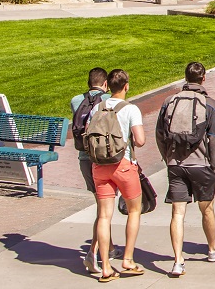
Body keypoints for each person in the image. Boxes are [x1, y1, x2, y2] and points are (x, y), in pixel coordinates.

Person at [156, 62, 215, 277]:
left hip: (176, 165)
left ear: (185, 78)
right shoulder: (211, 104)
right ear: (203, 78)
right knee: (207, 209)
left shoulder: (169, 102)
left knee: (177, 213)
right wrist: (214, 165)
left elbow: (160, 135)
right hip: (201, 165)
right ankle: (213, 248)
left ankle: (178, 261)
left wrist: (167, 157)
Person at [90, 69, 147, 281]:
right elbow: (139, 140)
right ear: (126, 86)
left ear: (107, 86)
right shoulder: (131, 109)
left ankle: (105, 266)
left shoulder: (98, 107)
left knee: (104, 215)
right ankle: (128, 259)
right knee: (134, 210)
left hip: (100, 165)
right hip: (123, 165)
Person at [71, 67, 117, 275]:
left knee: (101, 204)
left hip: (84, 158)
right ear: (105, 83)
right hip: (102, 160)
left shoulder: (76, 101)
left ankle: (110, 244)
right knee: (104, 209)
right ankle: (93, 252)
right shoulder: (109, 100)